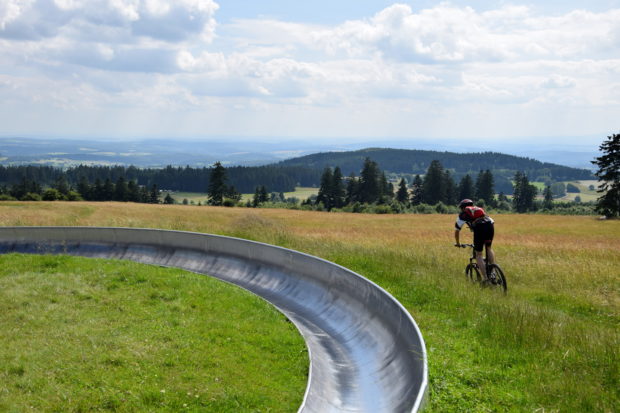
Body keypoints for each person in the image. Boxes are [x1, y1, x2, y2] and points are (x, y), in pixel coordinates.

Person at [454, 199, 496, 281]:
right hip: (490, 226)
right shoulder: (478, 210)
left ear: (462, 208)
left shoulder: (462, 215)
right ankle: (493, 271)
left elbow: (457, 231)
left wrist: (458, 243)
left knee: (478, 255)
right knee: (488, 248)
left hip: (479, 229)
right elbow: (492, 221)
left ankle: (485, 279)